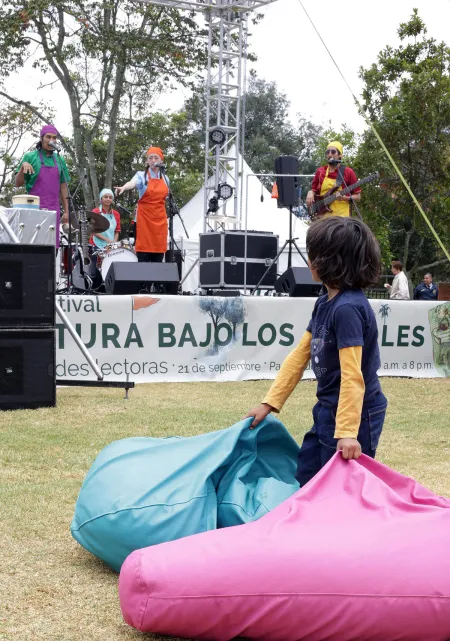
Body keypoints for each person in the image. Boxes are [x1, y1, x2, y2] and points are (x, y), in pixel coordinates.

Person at [244, 216, 387, 487]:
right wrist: (268, 403)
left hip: (357, 415)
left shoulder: (347, 310)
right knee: (308, 476)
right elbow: (299, 355)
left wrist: (346, 433)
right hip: (328, 407)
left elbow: (352, 375)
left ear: (328, 262)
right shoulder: (324, 303)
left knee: (344, 488)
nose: (309, 261)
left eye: (314, 255)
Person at [15, 124, 70, 247]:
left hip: (53, 208)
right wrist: (22, 166)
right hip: (33, 207)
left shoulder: (60, 160)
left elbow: (63, 187)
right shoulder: (30, 157)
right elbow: (18, 183)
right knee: (33, 243)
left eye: (54, 138)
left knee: (52, 244)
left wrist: (66, 212)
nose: (52, 140)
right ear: (42, 139)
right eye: (48, 137)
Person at [114, 146, 168, 263]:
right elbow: (132, 183)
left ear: (161, 161)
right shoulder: (141, 175)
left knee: (158, 256)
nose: (153, 160)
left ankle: (157, 281)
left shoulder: (165, 179)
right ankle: (144, 281)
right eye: (151, 158)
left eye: (156, 158)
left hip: (160, 219)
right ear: (147, 161)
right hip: (145, 219)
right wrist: (124, 187)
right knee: (144, 254)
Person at [306, 141, 361, 218]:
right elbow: (314, 190)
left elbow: (357, 196)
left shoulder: (348, 172)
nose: (330, 154)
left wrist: (345, 198)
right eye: (327, 152)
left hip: (342, 219)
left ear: (340, 155)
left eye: (333, 152)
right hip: (323, 217)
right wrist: (310, 192)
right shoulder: (321, 171)